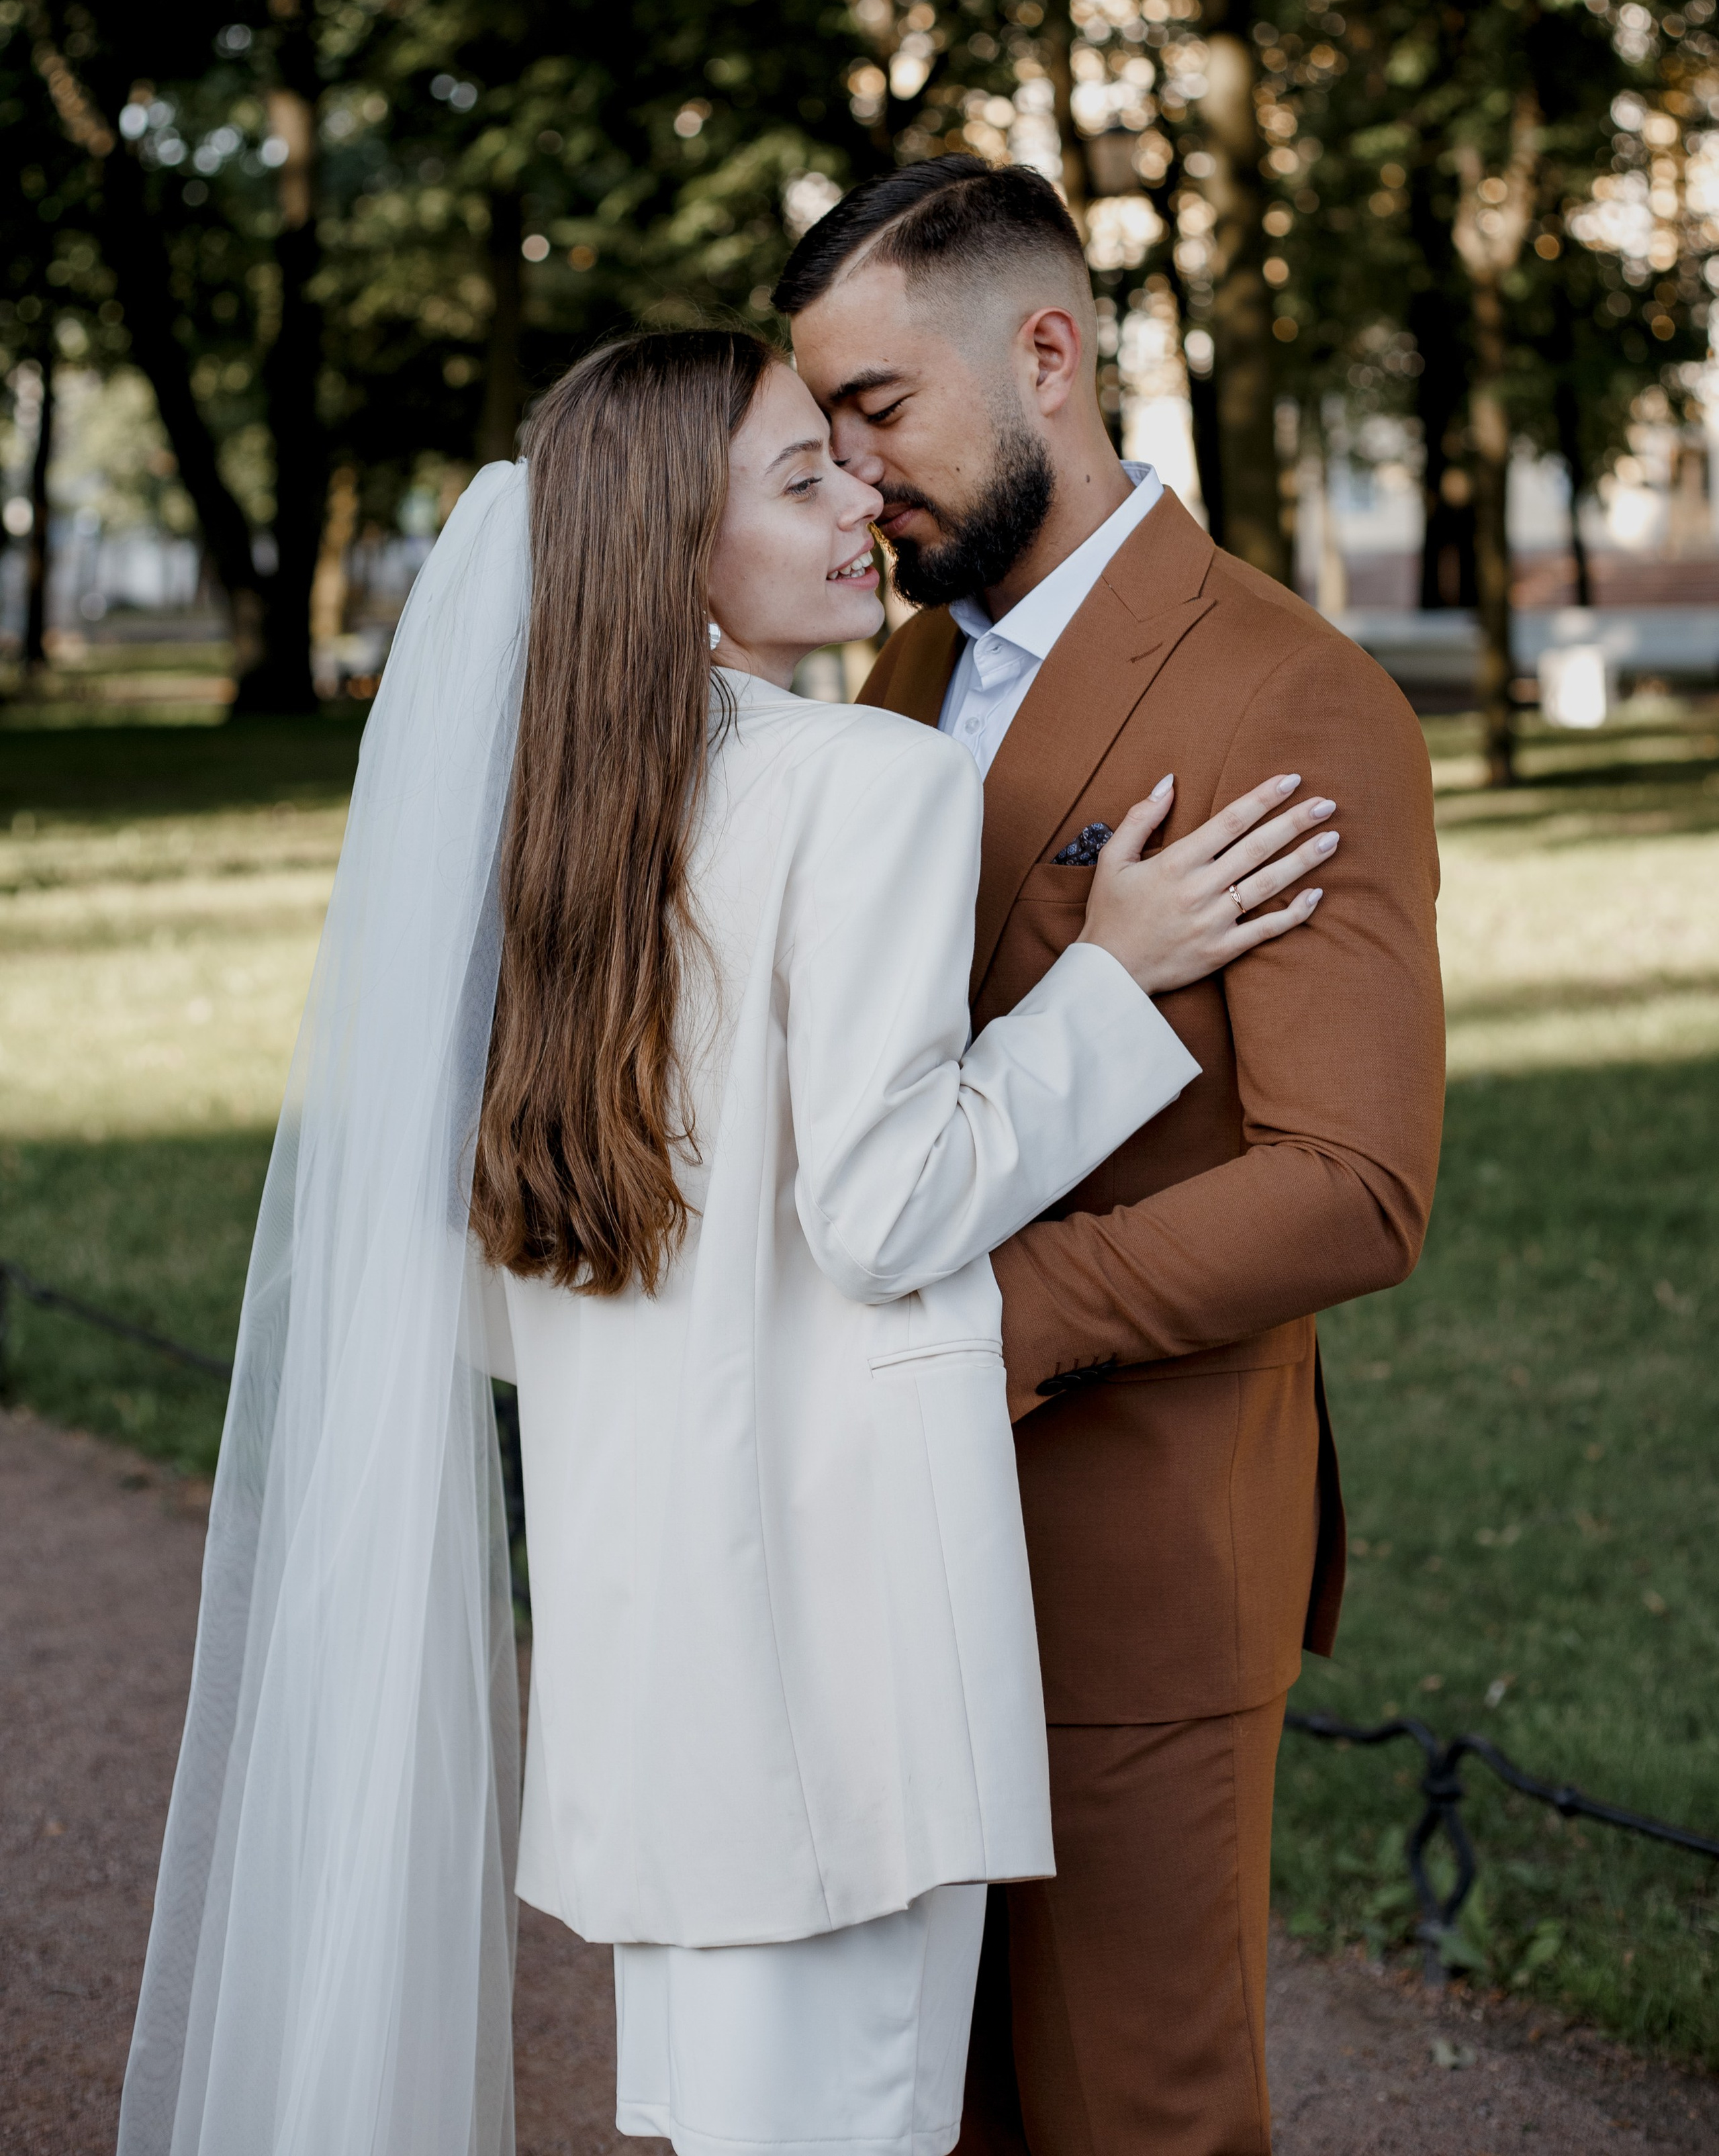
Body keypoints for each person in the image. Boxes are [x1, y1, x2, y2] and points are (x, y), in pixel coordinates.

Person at [118, 327, 1334, 2156]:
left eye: (848, 460)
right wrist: (1107, 979)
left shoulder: (558, 822)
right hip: (840, 1664)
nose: (863, 502)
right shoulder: (868, 782)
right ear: (682, 549)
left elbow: (503, 1280)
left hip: (647, 1655)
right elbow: (886, 1206)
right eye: (801, 478)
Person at [778, 159, 1446, 2156]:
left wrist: (983, 1313)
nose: (849, 471)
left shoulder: (1291, 693)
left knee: (1137, 2117)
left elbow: (1354, 1181)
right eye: (822, 426)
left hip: (1132, 1549)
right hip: (882, 1537)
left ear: (1047, 357)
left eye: (879, 408)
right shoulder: (904, 670)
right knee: (938, 2112)